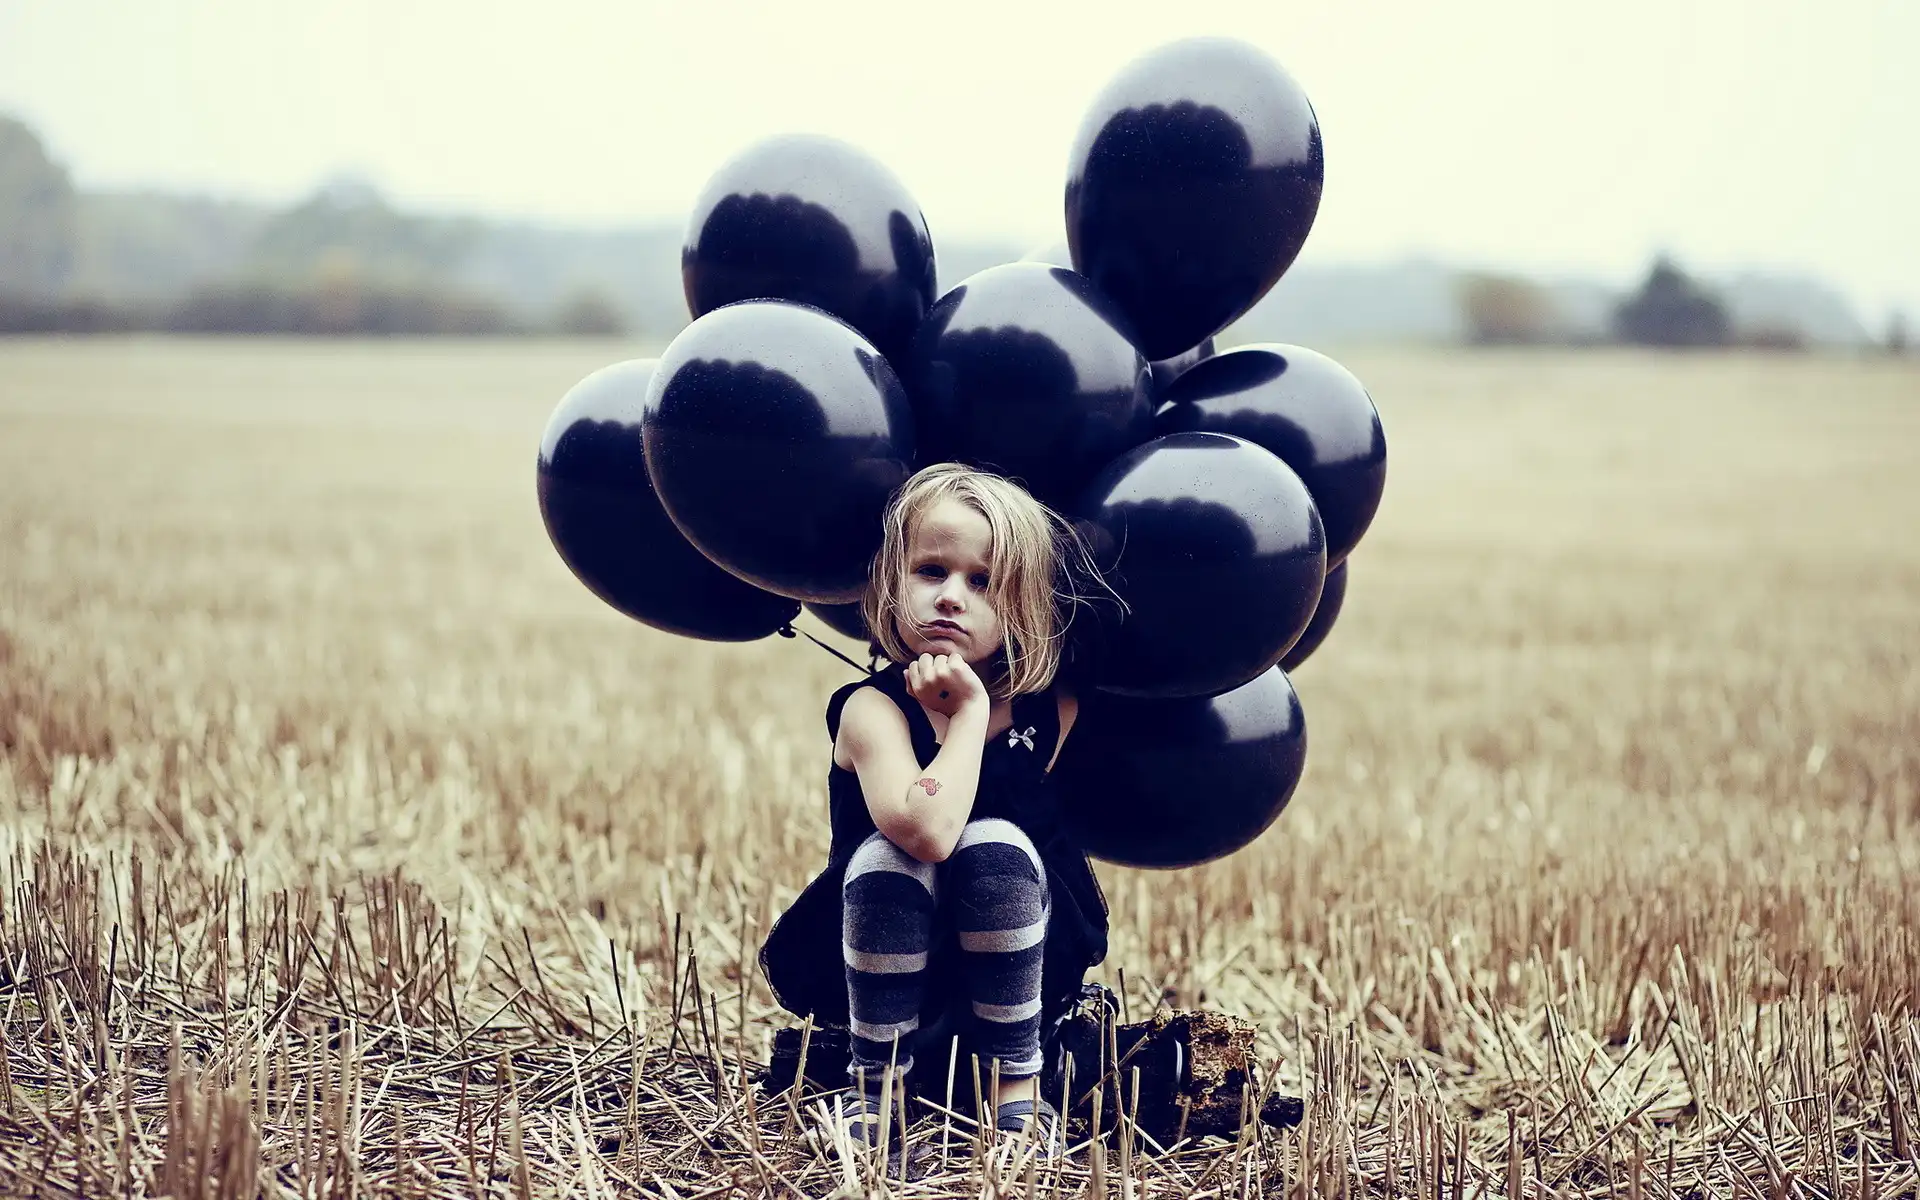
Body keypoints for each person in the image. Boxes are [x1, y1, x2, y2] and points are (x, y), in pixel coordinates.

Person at [759, 462, 1113, 1168]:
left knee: (996, 847)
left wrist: (981, 706)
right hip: (886, 961)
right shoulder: (871, 711)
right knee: (895, 853)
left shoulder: (1056, 711)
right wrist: (970, 716)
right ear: (891, 582)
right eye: (931, 571)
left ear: (1023, 607)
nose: (952, 596)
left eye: (984, 582)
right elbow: (928, 830)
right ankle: (876, 1092)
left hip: (1021, 961)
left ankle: (1016, 1090)